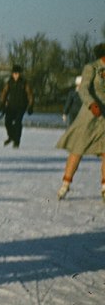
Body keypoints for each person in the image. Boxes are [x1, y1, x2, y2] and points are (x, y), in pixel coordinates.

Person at [55, 43, 105, 202]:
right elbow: (83, 89)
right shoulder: (92, 67)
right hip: (90, 115)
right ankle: (65, 184)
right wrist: (91, 104)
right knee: (77, 149)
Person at [0, 64, 34, 148]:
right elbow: (4, 93)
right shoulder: (9, 82)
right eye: (15, 73)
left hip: (21, 107)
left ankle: (16, 141)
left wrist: (30, 106)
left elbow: (30, 95)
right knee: (7, 122)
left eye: (18, 73)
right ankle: (11, 136)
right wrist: (2, 103)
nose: (16, 75)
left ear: (20, 74)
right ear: (12, 74)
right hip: (11, 106)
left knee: (18, 123)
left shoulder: (24, 83)